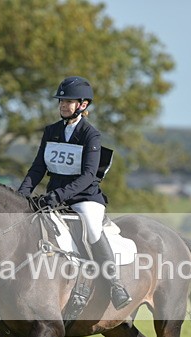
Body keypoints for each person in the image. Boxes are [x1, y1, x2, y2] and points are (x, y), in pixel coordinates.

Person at [17, 76, 132, 310]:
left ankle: (115, 284)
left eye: (67, 101)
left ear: (83, 105)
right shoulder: (51, 131)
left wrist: (59, 196)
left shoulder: (91, 135)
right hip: (54, 198)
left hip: (84, 199)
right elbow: (39, 166)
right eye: (60, 101)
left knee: (91, 226)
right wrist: (22, 193)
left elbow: (89, 176)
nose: (62, 105)